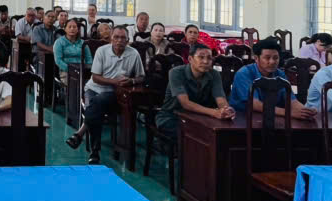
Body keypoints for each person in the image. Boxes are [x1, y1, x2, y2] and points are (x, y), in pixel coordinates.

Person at [65, 26, 144, 164]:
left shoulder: (133, 53)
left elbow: (141, 77)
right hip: (94, 88)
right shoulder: (102, 51)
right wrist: (115, 82)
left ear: (128, 40)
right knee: (96, 107)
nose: (119, 40)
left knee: (97, 104)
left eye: (123, 38)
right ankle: (93, 150)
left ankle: (84, 139)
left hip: (114, 93)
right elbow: (95, 77)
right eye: (116, 37)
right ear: (111, 39)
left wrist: (131, 81)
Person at [156, 44, 235, 137]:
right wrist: (214, 112)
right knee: (196, 135)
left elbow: (220, 99)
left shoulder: (214, 74)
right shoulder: (176, 72)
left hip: (201, 117)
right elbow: (185, 103)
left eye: (209, 58)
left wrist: (226, 110)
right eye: (201, 57)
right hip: (172, 116)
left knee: (222, 134)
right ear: (190, 59)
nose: (206, 61)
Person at [229, 39, 317, 120]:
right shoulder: (244, 73)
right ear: (256, 58)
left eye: (275, 58)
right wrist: (288, 113)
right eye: (267, 58)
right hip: (244, 118)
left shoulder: (280, 74)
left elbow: (291, 100)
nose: (272, 62)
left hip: (273, 117)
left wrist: (305, 111)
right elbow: (254, 104)